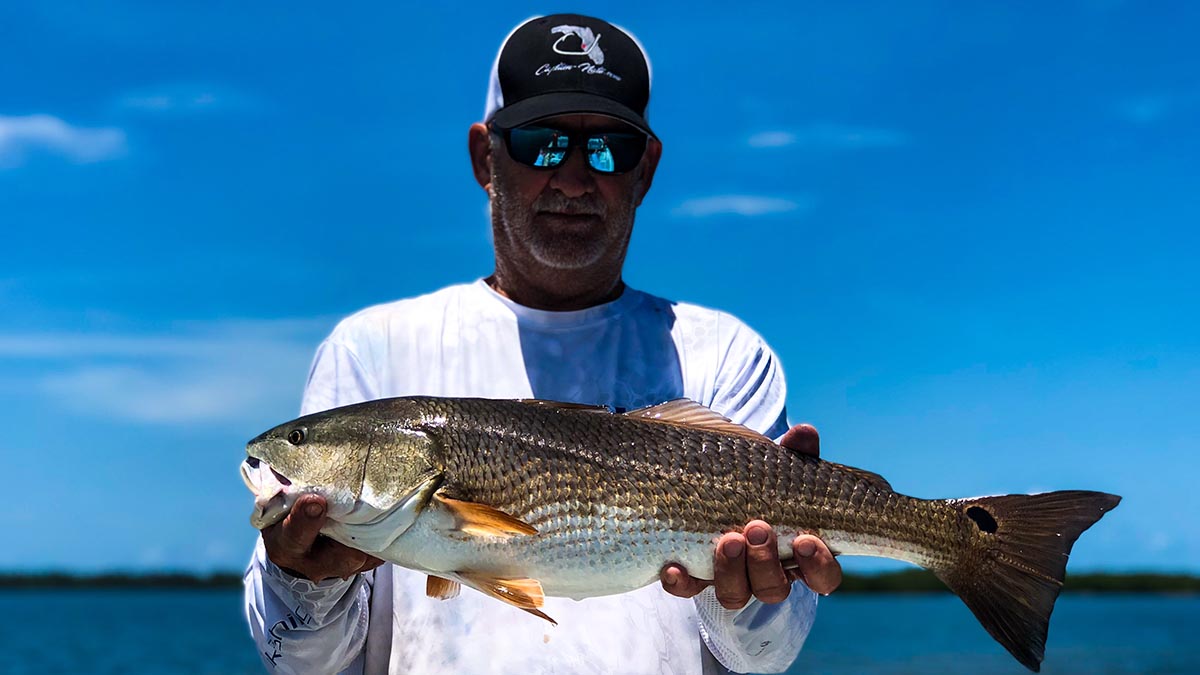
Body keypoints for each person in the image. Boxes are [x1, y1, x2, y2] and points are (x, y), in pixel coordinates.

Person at [244, 13, 842, 674]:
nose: (575, 177)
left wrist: (751, 600)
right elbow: (302, 660)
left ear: (645, 171)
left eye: (609, 147)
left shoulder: (725, 355)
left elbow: (763, 654)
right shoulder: (369, 351)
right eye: (542, 143)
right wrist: (304, 579)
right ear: (484, 158)